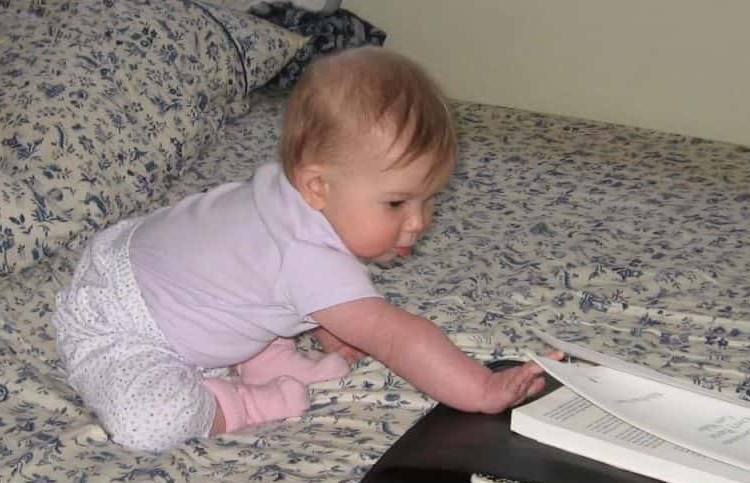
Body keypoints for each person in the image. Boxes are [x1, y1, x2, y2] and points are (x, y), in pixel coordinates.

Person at [52, 47, 551, 451]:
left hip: (139, 255)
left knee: (246, 280)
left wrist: (325, 319)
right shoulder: (308, 255)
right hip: (120, 323)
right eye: (397, 202)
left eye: (430, 198)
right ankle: (250, 399)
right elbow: (398, 338)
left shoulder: (290, 196)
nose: (418, 222)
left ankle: (265, 350)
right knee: (151, 424)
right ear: (317, 186)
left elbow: (260, 268)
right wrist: (482, 389)